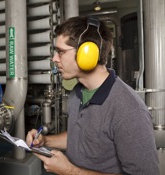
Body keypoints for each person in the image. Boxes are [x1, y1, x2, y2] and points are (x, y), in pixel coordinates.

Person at [26, 16, 159, 175]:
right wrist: (45, 141)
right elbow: (81, 137)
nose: (54, 59)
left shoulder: (129, 110)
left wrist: (70, 170)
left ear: (87, 54)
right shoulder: (77, 92)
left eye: (60, 52)